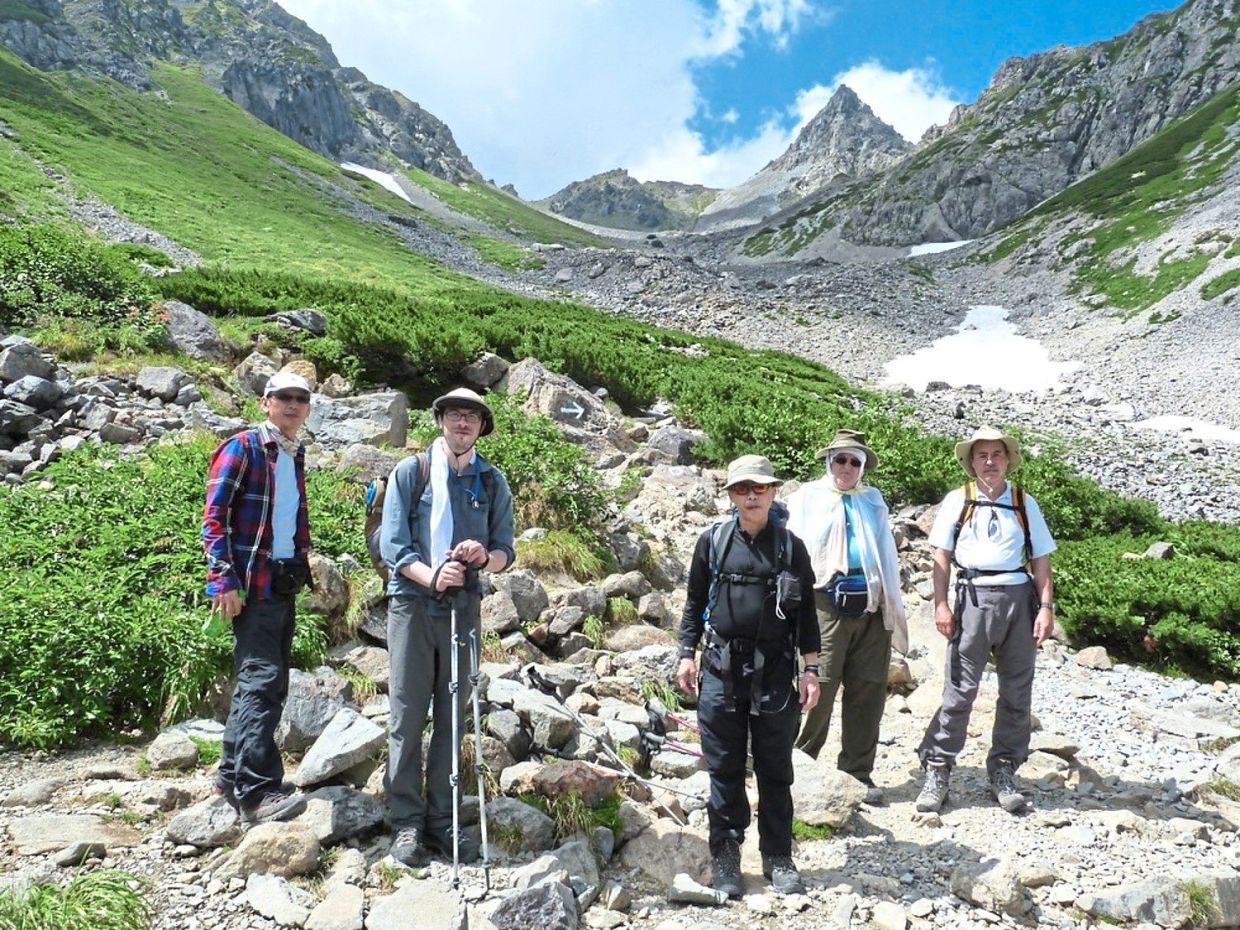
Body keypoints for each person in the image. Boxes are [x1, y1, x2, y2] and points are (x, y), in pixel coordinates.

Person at [676, 454, 822, 898]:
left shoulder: (791, 547)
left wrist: (810, 670)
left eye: (759, 487)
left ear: (774, 491)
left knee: (776, 769)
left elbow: (807, 616)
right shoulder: (712, 542)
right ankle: (725, 854)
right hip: (720, 669)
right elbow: (694, 602)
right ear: (732, 495)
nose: (752, 495)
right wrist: (686, 654)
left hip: (776, 673)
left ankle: (778, 856)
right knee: (723, 767)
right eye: (742, 489)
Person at [381, 388, 515, 867]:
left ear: (482, 427)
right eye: (456, 415)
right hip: (413, 606)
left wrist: (485, 557)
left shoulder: (491, 480)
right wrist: (432, 575)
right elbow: (394, 548)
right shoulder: (411, 473)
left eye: (473, 417)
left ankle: (442, 821)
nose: (464, 423)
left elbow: (504, 550)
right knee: (407, 712)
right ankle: (406, 823)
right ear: (440, 421)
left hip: (464, 607)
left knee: (453, 716)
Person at [916, 426, 1056, 814]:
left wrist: (1046, 609)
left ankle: (1005, 769)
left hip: (1019, 600)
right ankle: (938, 767)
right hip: (972, 598)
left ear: (1008, 460)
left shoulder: (1025, 503)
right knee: (960, 689)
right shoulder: (957, 500)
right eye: (982, 456)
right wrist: (940, 606)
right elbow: (941, 557)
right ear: (971, 462)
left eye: (997, 454)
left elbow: (1041, 561)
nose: (990, 462)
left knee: (1017, 690)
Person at [202, 371, 314, 824]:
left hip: (280, 582)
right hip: (251, 583)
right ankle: (255, 791)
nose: (292, 404)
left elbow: (287, 519)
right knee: (262, 681)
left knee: (263, 678)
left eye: (300, 398)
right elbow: (214, 516)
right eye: (283, 397)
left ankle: (230, 774)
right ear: (266, 402)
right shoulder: (243, 447)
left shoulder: (292, 452)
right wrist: (222, 580)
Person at [786, 429, 908, 805]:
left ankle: (857, 774)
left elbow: (885, 552)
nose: (847, 467)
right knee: (816, 687)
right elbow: (794, 548)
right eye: (840, 459)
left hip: (872, 603)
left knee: (869, 690)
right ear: (829, 461)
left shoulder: (873, 501)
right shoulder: (808, 497)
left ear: (863, 467)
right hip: (824, 602)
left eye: (855, 461)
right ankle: (796, 767)